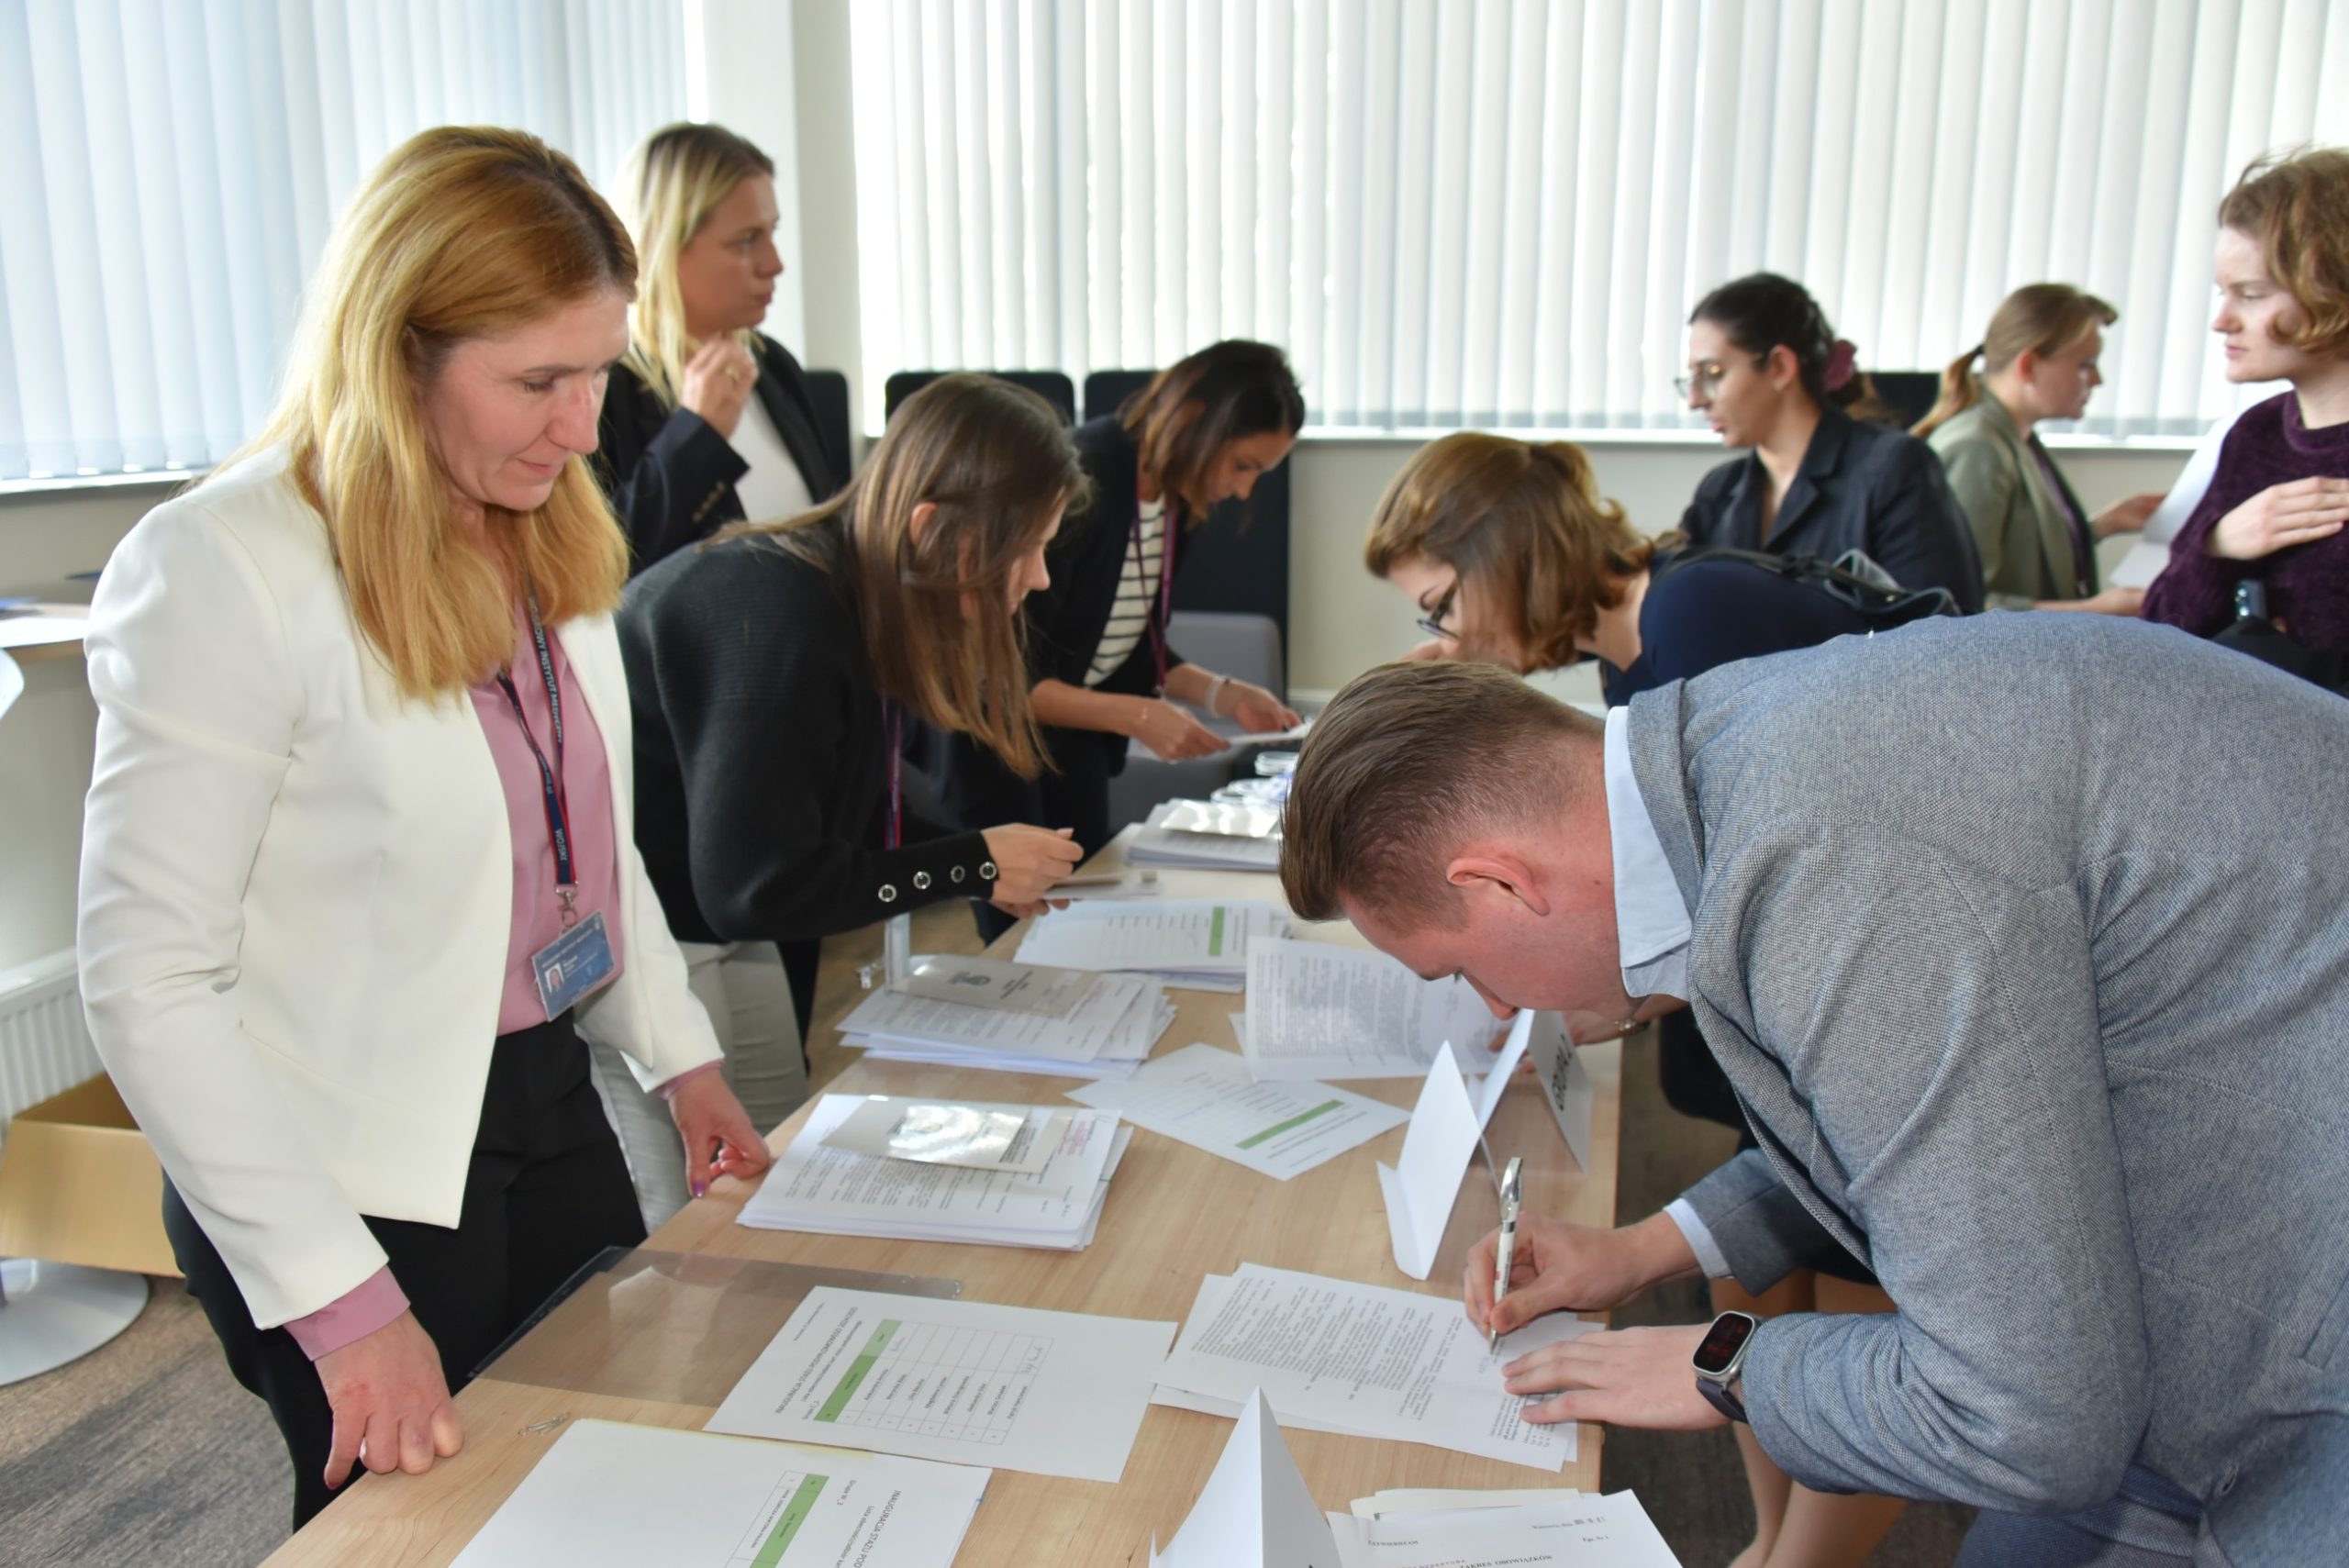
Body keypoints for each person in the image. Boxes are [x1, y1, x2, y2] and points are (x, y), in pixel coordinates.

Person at [1276, 627, 2347, 1566]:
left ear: (1499, 881)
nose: (1498, 1008)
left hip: (2293, 1373)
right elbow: (1919, 1123)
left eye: (1460, 970)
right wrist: (1648, 1247)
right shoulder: (1734, 755)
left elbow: (2030, 1420)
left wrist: (1726, 1363)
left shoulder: (1824, 868)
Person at [75, 128, 770, 1529]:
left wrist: (684, 1062)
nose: (586, 427)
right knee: (413, 1527)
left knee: (600, 1456)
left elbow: (587, 846)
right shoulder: (226, 566)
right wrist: (341, 1303)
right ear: (398, 350)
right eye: (538, 381)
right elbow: (147, 978)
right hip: (336, 1154)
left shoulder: (547, 530)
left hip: (540, 1089)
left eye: (598, 372)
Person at [1365, 429, 1934, 1568]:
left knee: (1854, 1300)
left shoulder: (1700, 623)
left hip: (1885, 1039)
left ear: (1502, 553)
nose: (1445, 640)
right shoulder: (1642, 635)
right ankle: (1768, 1537)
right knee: (1758, 1275)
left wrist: (1588, 990)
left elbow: (1755, 907)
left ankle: (1798, 1552)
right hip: (1801, 1048)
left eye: (1438, 606)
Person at [602, 374, 1088, 1224]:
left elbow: (831, 824)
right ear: (933, 528)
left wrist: (977, 864)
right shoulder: (779, 614)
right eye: (1028, 548)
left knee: (775, 1171)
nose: (1041, 578)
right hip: (636, 940)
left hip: (714, 925)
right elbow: (759, 883)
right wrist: (970, 862)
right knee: (696, 1221)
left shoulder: (849, 592)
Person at [931, 340, 1307, 919]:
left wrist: (1222, 695)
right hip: (1005, 759)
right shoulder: (1085, 477)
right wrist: (1135, 716)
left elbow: (1129, 647)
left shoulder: (1175, 503)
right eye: (1243, 465)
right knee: (1023, 940)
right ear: (1191, 421)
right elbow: (1001, 681)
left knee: (1079, 922)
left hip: (1074, 752)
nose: (1244, 490)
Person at [596, 123, 846, 572]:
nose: (775, 263)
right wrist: (697, 435)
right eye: (747, 240)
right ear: (664, 247)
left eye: (773, 233)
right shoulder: (604, 386)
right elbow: (606, 568)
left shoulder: (772, 365)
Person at [2144, 148, 2349, 675]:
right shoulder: (2254, 435)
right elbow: (2161, 624)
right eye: (2222, 293)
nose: (2221, 320)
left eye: (2251, 295)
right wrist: (2222, 545)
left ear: (2335, 292)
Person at [1678, 272, 1986, 612]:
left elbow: (1942, 636)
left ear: (1780, 366)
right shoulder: (1719, 490)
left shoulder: (1894, 469)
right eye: (1692, 378)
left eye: (1713, 373)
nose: (1694, 399)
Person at [1914, 284, 2165, 612]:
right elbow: (1963, 603)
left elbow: (2021, 551)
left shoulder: (2017, 435)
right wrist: (2097, 611)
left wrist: (2103, 525)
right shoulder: (1977, 449)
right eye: (2085, 365)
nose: (2098, 380)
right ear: (2028, 365)